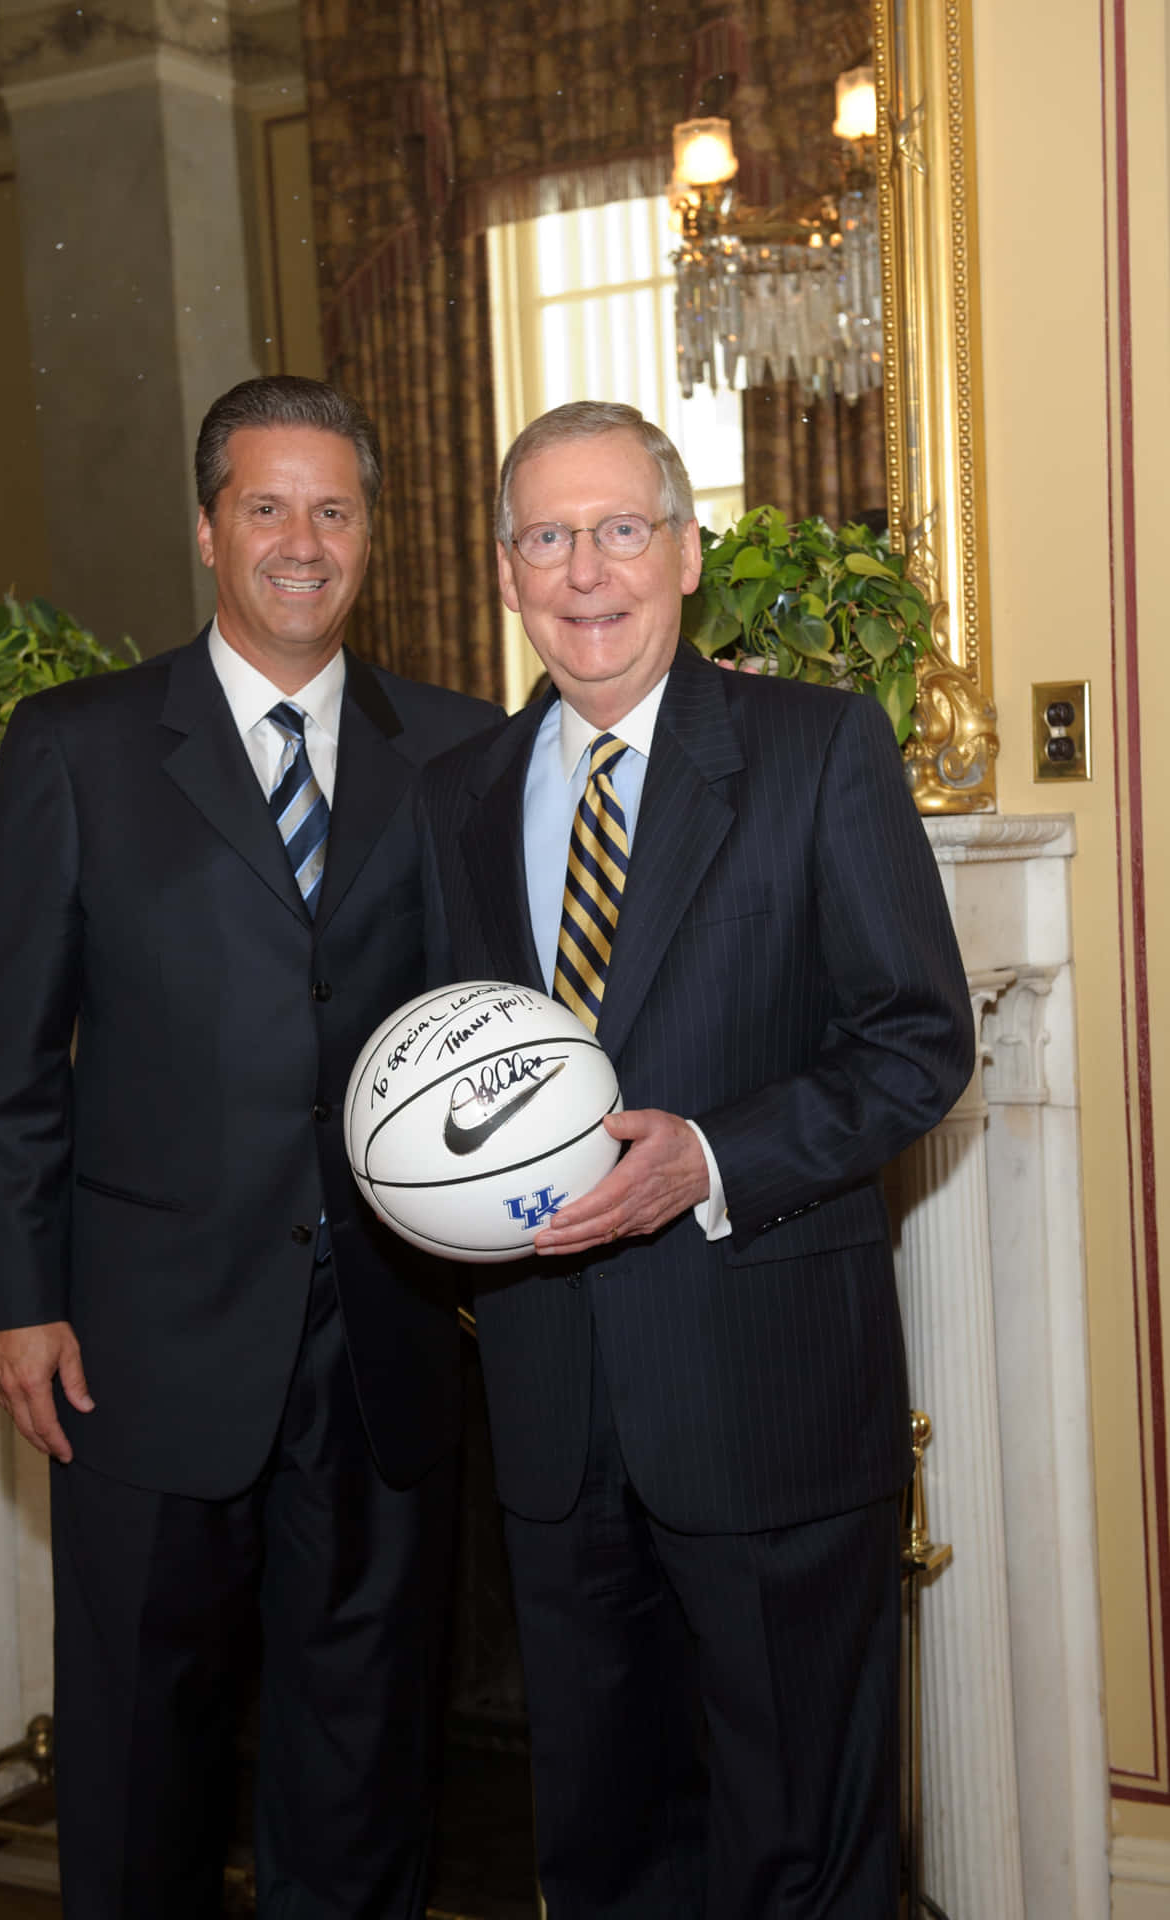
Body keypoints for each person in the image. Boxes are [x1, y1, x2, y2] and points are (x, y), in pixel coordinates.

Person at [417, 400, 975, 1918]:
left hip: (770, 1396)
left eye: (618, 529)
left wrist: (708, 1160)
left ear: (684, 550)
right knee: (601, 1851)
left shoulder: (814, 751)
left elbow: (916, 1043)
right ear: (506, 568)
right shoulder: (454, 798)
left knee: (801, 1849)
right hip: (549, 1417)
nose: (584, 570)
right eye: (548, 535)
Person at [0, 374, 497, 1920]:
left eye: (334, 509)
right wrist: (12, 1296)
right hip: (137, 1344)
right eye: (267, 506)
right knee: (138, 1758)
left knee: (365, 1756)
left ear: (372, 535)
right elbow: (6, 1065)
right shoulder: (76, 748)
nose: (301, 542)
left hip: (387, 1343)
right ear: (207, 529)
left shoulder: (458, 750)